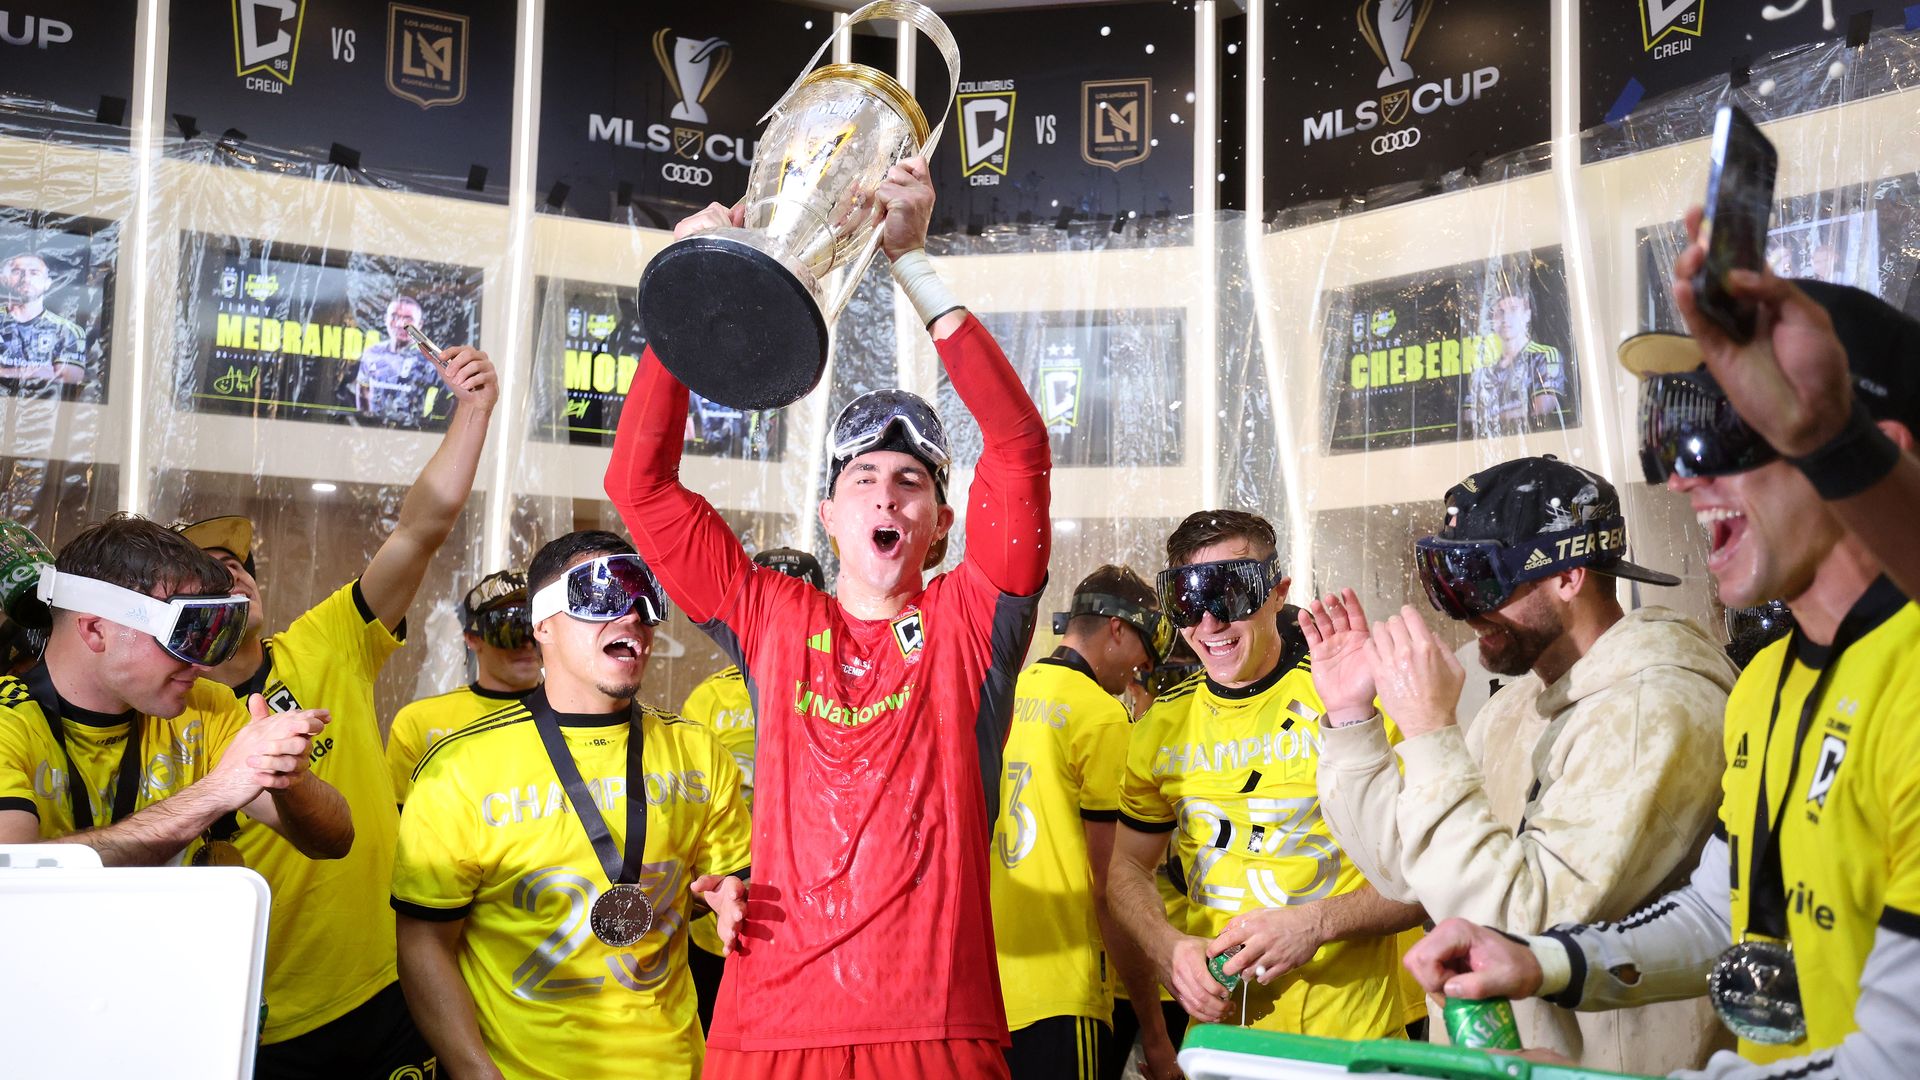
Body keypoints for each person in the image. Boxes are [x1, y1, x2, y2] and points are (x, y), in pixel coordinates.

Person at [1403, 278, 1920, 1079]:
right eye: (1673, 440)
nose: (1682, 476)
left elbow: (1894, 1060)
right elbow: (1725, 911)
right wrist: (1543, 963)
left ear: (1878, 449)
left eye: (1733, 434)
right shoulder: (1768, 683)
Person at [605, 156, 1051, 1079]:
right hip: (766, 1026)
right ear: (829, 515)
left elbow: (1016, 443)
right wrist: (684, 310)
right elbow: (639, 487)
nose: (886, 495)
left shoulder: (974, 620)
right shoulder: (769, 613)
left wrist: (915, 265)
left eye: (911, 482)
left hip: (936, 1028)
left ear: (939, 523)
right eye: (862, 480)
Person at [1303, 456, 1734, 1072]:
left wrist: (1429, 731)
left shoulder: (1653, 711)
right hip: (1506, 1057)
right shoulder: (1520, 707)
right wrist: (1351, 720)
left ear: (1569, 575)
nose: (1463, 610)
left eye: (1481, 580)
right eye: (1446, 582)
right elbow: (1414, 880)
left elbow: (1522, 926)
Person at [177, 343, 498, 1079]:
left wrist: (474, 410)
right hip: (259, 1016)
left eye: (239, 568)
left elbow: (422, 527)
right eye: (205, 574)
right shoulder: (164, 708)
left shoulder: (326, 642)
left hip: (388, 989)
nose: (232, 577)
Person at [393, 531, 751, 1080]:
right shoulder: (459, 769)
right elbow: (424, 946)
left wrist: (731, 895)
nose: (630, 617)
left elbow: (731, 886)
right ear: (542, 624)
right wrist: (475, 1072)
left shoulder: (699, 752)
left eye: (644, 599)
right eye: (599, 597)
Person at [1110, 509, 1423, 1047]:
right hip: (1220, 1042)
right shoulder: (1161, 725)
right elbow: (1125, 866)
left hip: (1347, 1041)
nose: (1209, 624)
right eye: (1188, 602)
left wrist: (1317, 924)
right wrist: (1164, 946)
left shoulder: (1353, 706)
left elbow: (1429, 877)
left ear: (1278, 592)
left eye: (1230, 595)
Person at [0, 515, 351, 865]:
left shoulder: (206, 706)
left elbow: (333, 842)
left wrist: (290, 774)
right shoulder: (8, 722)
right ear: (95, 630)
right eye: (183, 636)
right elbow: (15, 876)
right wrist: (213, 793)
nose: (205, 666)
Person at [1667, 211, 1920, 606]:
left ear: (1886, 445)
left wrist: (1838, 443)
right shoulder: (1761, 670)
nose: (1681, 480)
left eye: (1733, 427)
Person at [995, 566, 1176, 1080]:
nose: (1143, 667)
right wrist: (1156, 1036)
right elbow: (1110, 890)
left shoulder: (1008, 691)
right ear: (1118, 630)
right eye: (1145, 647)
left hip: (986, 982)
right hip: (1060, 983)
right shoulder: (1101, 716)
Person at [678, 545, 826, 1033]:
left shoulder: (843, 687)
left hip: (813, 904)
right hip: (728, 910)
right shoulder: (710, 697)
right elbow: (690, 803)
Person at [387, 569, 541, 807]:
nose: (527, 643)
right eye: (509, 626)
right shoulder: (419, 723)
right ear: (472, 638)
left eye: (538, 625)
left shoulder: (586, 714)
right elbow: (399, 823)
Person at [1464, 287, 1571, 438]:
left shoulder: (1544, 355)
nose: (1506, 319)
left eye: (1513, 309)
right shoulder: (1482, 370)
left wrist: (1489, 416)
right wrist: (1515, 412)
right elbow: (1468, 418)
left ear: (1527, 314)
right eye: (1499, 312)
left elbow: (1541, 410)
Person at [354, 295, 443, 426]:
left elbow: (452, 396)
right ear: (385, 319)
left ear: (420, 325)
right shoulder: (372, 352)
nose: (400, 324)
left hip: (414, 435)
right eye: (394, 316)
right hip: (374, 434)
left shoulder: (429, 358)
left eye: (408, 319)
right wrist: (364, 425)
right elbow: (362, 389)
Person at [0, 253, 86, 386]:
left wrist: (5, 371)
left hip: (43, 406)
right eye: (17, 272)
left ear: (47, 283)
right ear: (4, 279)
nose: (26, 279)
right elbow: (55, 374)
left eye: (34, 273)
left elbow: (71, 376)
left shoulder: (67, 330)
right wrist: (38, 372)